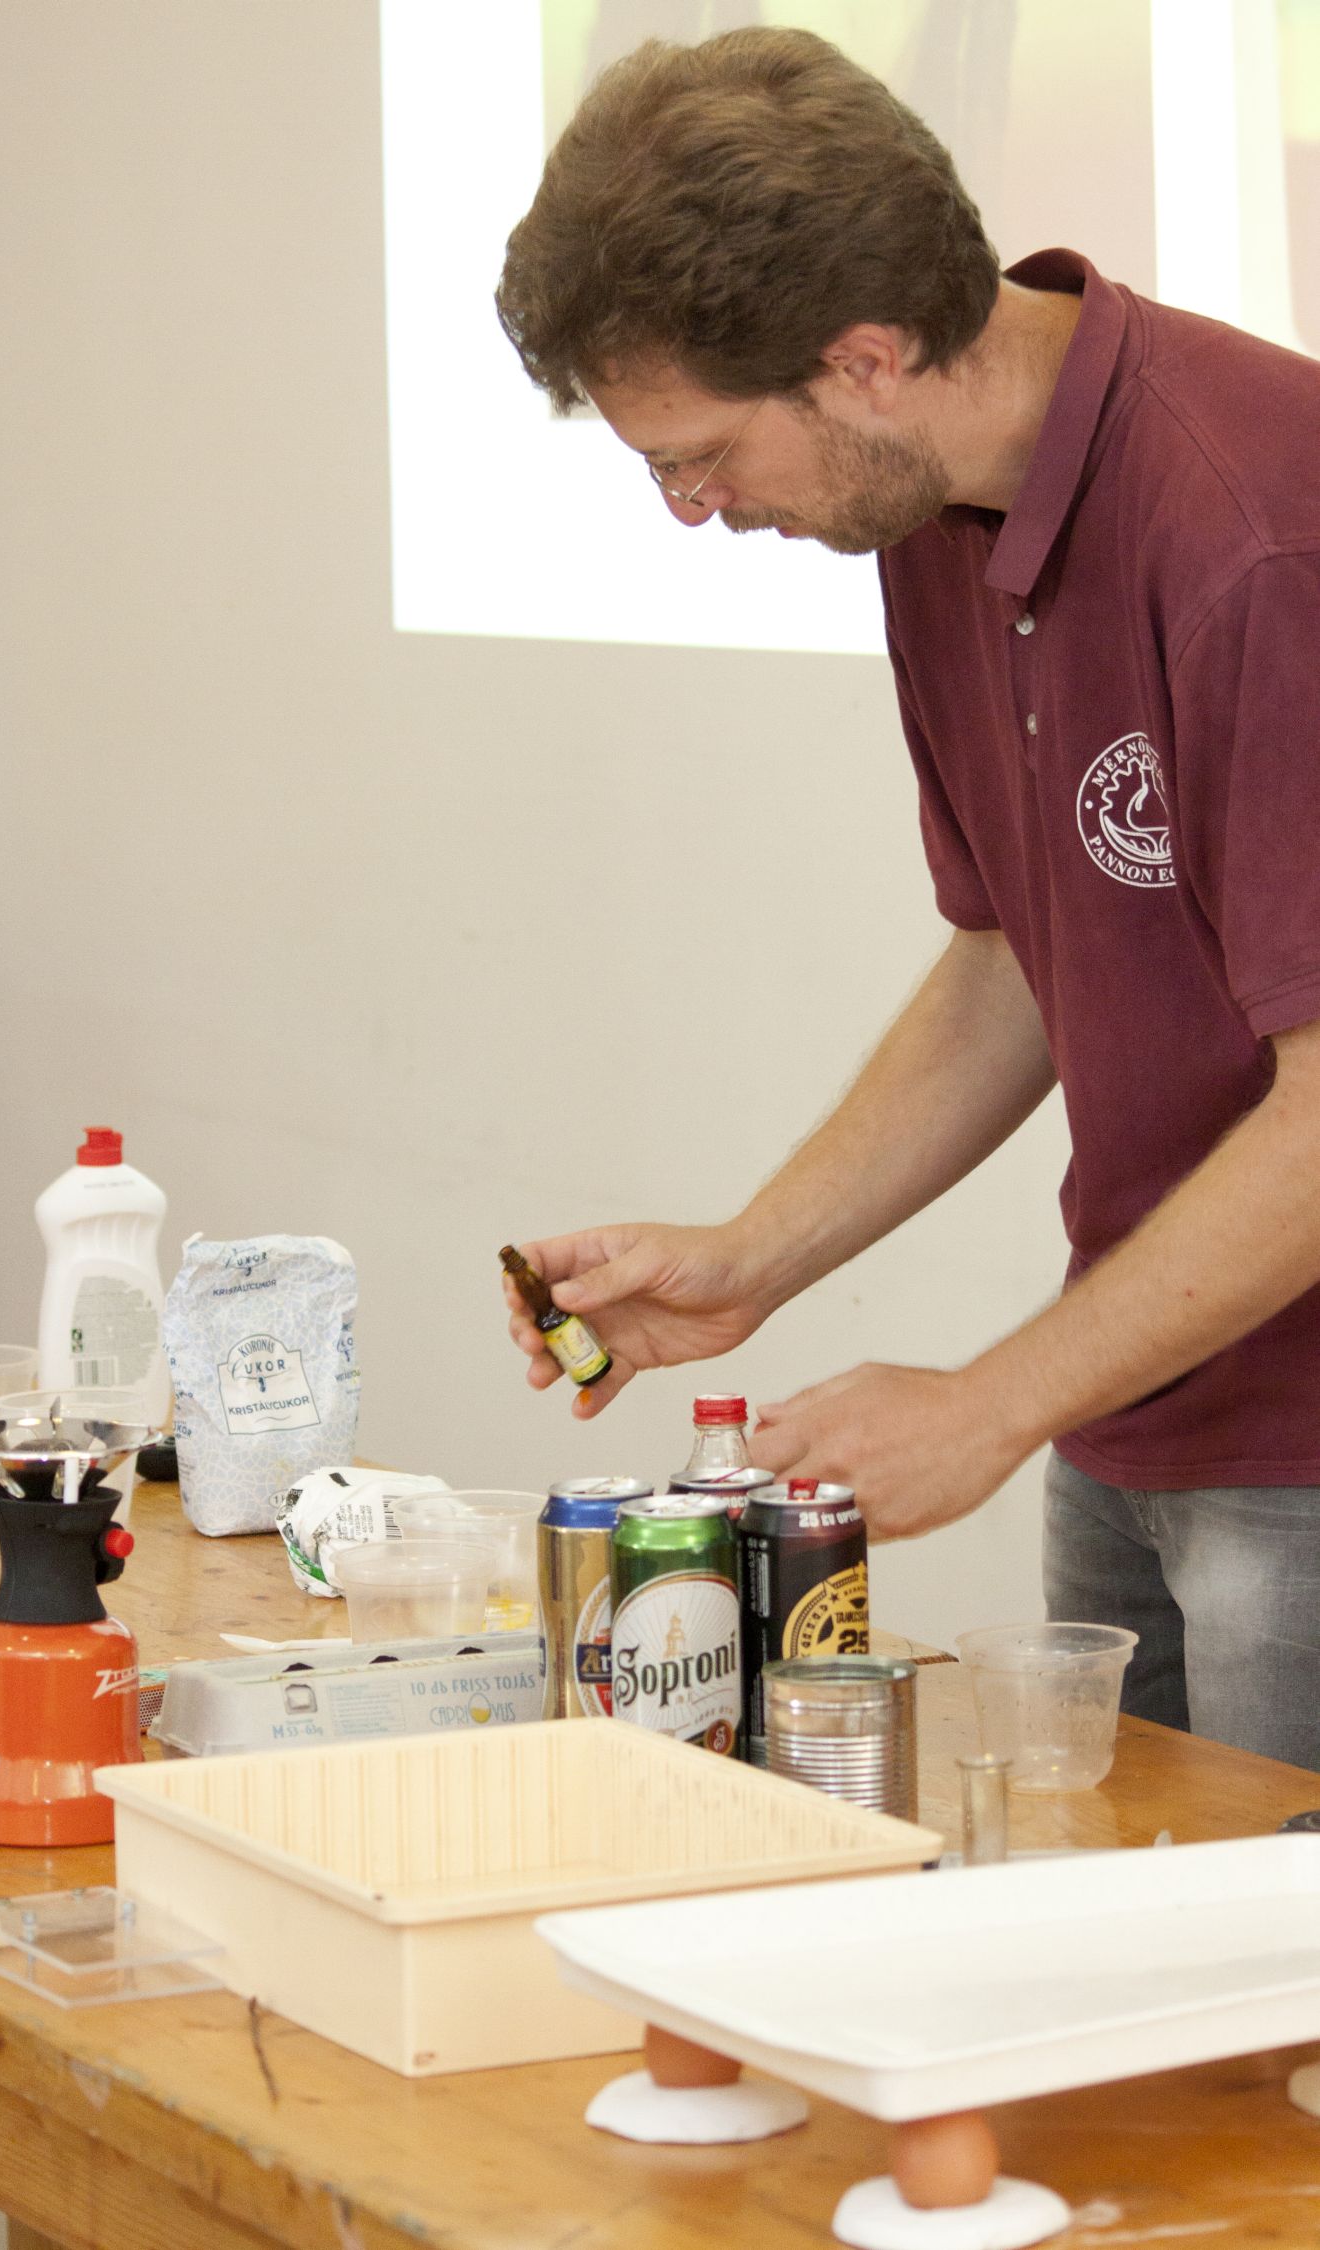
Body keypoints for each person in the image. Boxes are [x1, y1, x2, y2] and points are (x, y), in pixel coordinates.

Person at [492, 27, 1320, 1770]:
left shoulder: (1256, 538)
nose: (693, 509)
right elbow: (1017, 958)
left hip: (1299, 1458)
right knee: (1131, 1929)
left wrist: (989, 1405)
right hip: (1136, 1407)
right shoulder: (939, 515)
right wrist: (750, 1259)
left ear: (865, 359)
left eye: (702, 454)